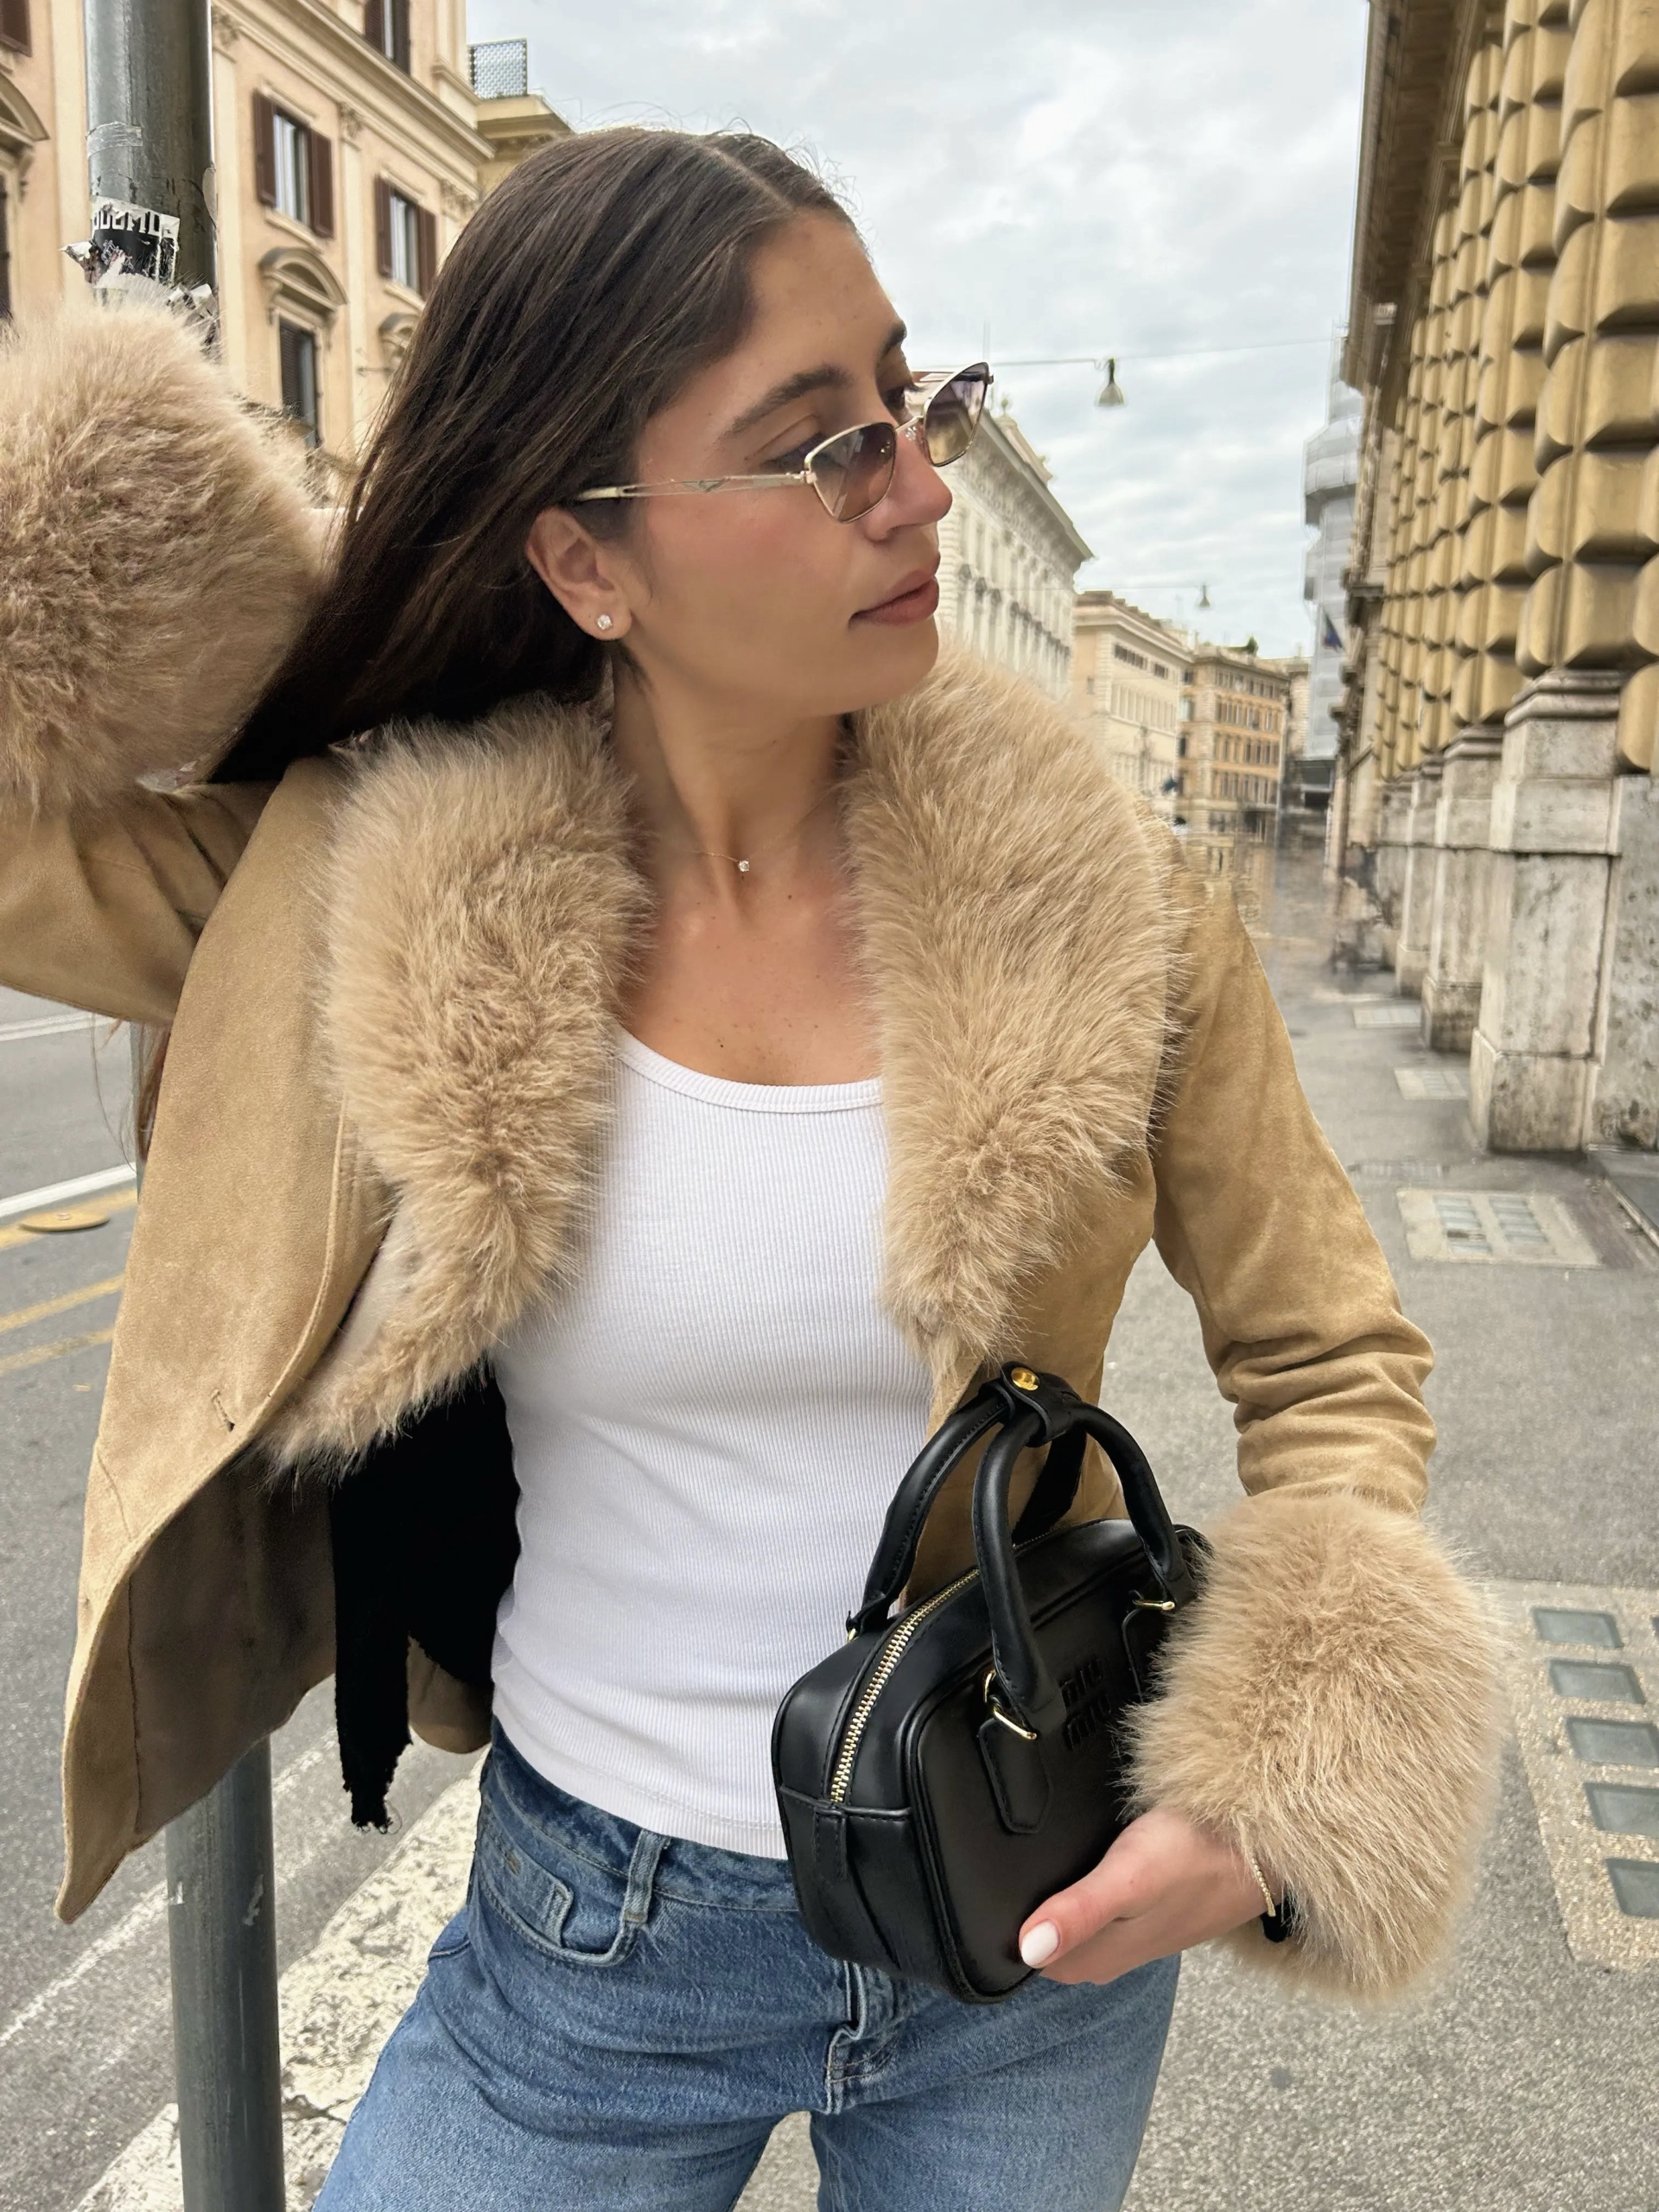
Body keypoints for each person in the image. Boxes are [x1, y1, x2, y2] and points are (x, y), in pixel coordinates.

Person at [0, 128, 1497, 2212]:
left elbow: (1329, 1356)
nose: (919, 488)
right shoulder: (376, 871)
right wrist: (225, 574)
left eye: (908, 398)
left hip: (1018, 1915)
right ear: (586, 561)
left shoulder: (1107, 893)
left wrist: (1275, 1787)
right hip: (586, 1948)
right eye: (822, 446)